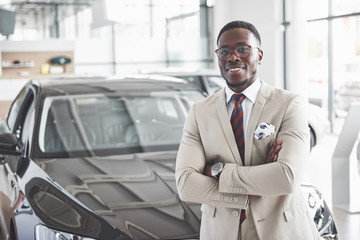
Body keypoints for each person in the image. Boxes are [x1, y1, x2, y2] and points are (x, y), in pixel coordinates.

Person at [175, 20, 321, 240]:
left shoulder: (289, 104)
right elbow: (186, 185)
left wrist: (216, 171)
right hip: (221, 231)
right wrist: (256, 185)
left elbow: (287, 176)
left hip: (280, 230)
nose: (233, 57)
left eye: (242, 49)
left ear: (259, 55)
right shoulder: (199, 112)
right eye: (224, 51)